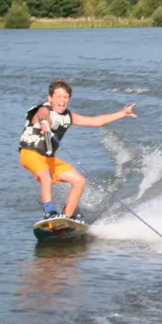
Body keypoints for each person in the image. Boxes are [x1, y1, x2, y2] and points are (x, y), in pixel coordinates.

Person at [19, 80, 137, 223]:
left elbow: (95, 121)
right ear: (50, 98)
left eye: (65, 97)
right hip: (30, 153)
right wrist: (45, 123)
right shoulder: (43, 110)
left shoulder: (68, 116)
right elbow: (44, 116)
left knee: (79, 181)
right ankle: (49, 212)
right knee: (46, 177)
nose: (62, 101)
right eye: (59, 97)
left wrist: (122, 113)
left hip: (48, 158)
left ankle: (67, 218)